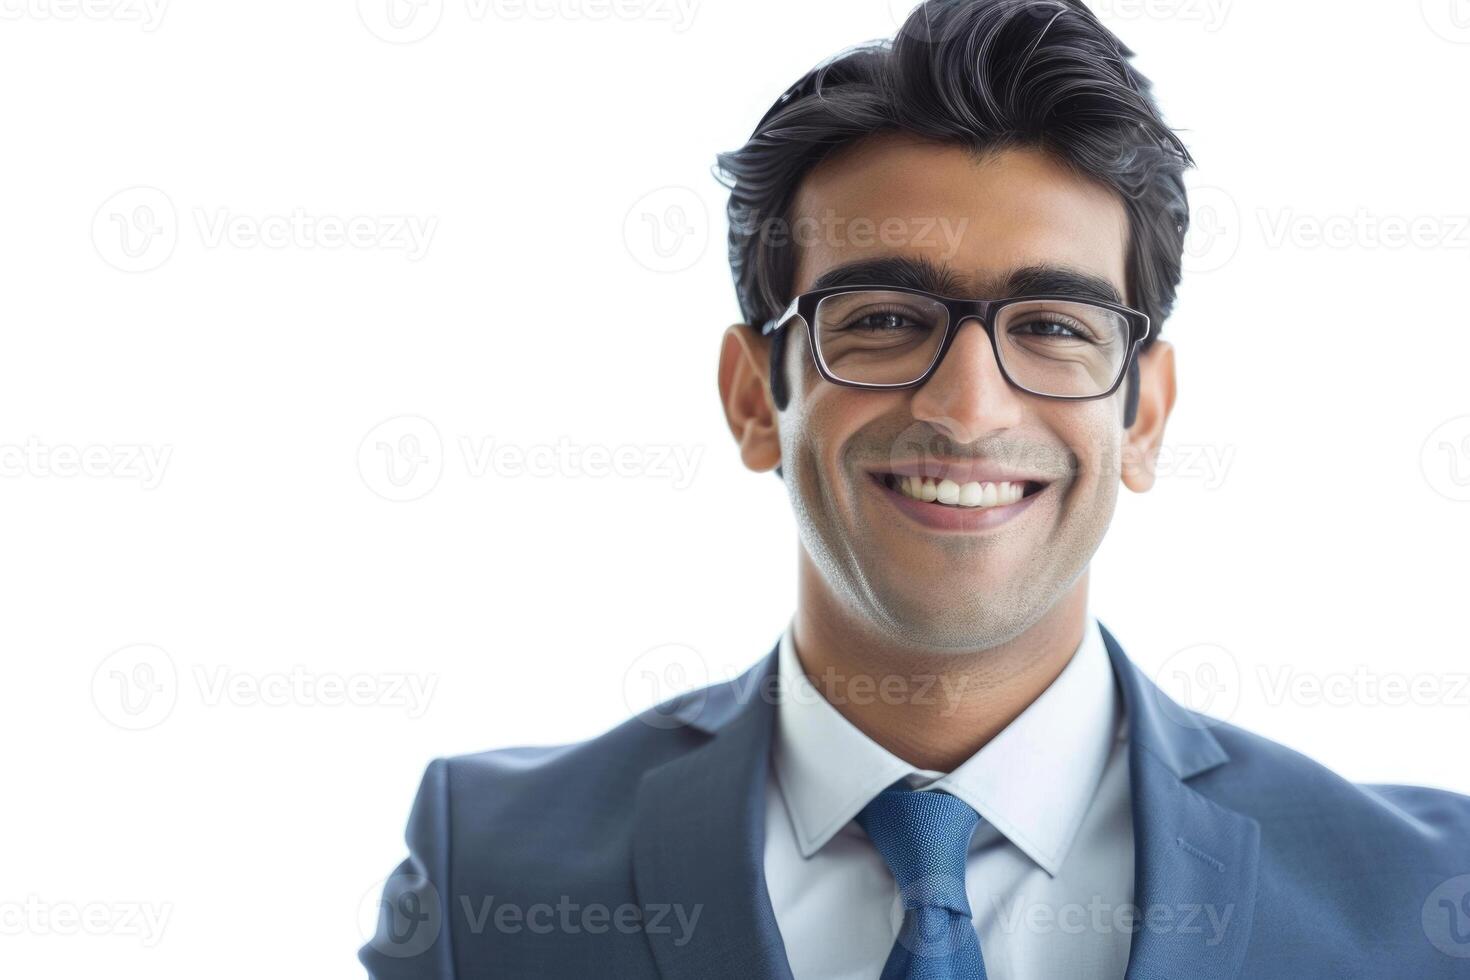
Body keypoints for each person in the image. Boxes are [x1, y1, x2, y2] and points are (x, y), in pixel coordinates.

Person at [360, 2, 1470, 976]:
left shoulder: (1423, 901)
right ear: (756, 395)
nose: (969, 407)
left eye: (1052, 326)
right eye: (885, 320)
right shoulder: (489, 872)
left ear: (1143, 415)